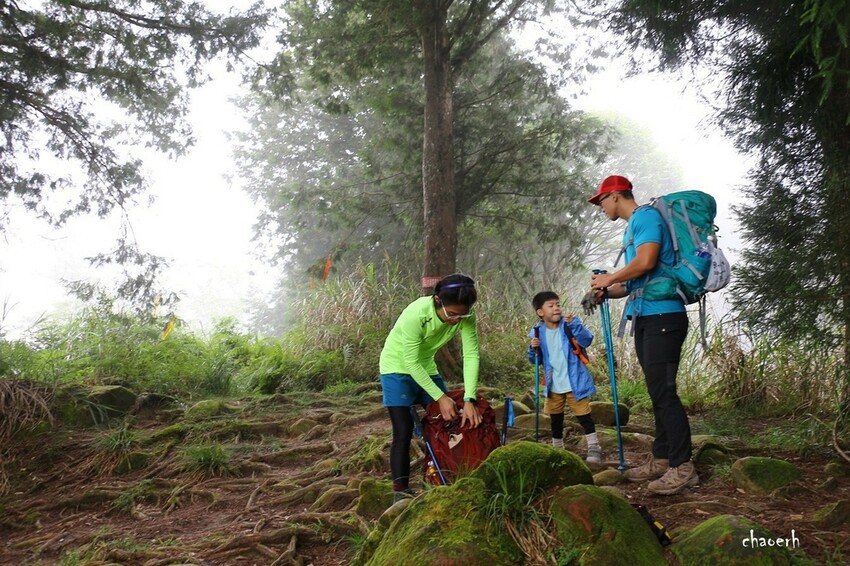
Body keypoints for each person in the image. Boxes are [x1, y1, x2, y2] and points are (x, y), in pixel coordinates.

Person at [587, 174, 698, 495]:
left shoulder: (646, 217)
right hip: (649, 316)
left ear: (617, 196)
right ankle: (663, 459)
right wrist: (606, 290)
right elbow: (634, 281)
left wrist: (609, 277)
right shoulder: (635, 225)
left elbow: (646, 262)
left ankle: (683, 467)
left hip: (664, 317)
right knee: (657, 392)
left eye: (601, 201)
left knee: (664, 393)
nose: (601, 207)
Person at [379, 273, 483, 502]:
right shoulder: (416, 314)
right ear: (438, 301)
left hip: (426, 367)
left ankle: (442, 475)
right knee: (403, 430)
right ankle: (400, 492)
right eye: (452, 314)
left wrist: (469, 398)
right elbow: (410, 361)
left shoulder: (466, 316)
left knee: (447, 420)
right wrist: (440, 396)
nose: (457, 319)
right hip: (396, 367)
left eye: (462, 313)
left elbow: (472, 355)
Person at [527, 291, 603, 464]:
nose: (556, 309)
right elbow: (534, 360)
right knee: (555, 418)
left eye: (558, 305)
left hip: (574, 380)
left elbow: (586, 340)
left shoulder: (568, 325)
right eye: (551, 306)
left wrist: (575, 324)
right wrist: (533, 349)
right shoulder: (537, 333)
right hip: (553, 383)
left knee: (584, 416)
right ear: (540, 312)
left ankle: (594, 446)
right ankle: (558, 448)